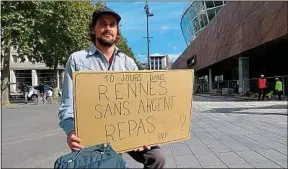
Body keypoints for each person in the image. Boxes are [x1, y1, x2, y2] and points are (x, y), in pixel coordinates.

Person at [58, 6, 165, 169]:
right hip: (93, 135)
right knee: (110, 163)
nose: (108, 28)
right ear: (94, 29)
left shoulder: (128, 63)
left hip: (126, 131)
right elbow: (67, 105)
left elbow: (138, 104)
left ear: (117, 31)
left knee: (157, 158)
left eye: (112, 24)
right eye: (102, 24)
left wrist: (143, 133)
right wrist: (71, 131)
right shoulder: (77, 60)